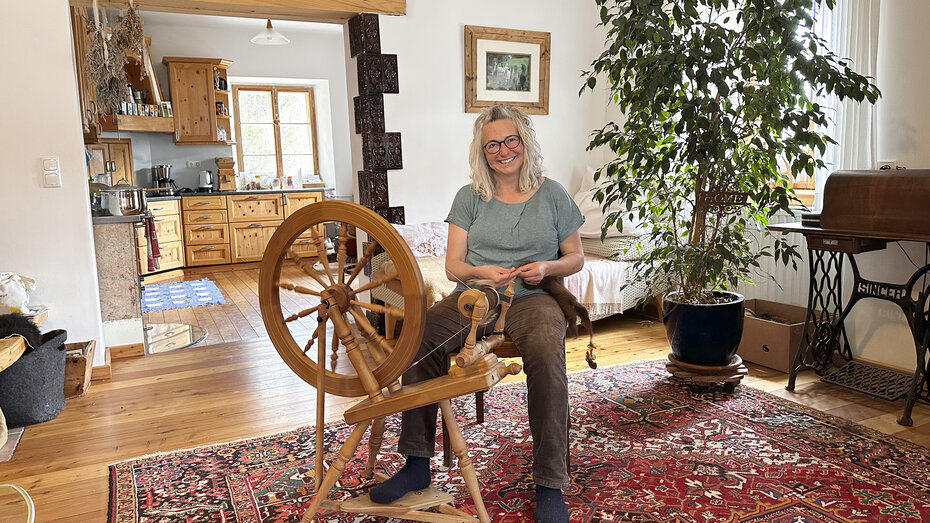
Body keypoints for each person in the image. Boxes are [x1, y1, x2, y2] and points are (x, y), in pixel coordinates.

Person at [369, 104, 584, 523]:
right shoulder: (469, 197)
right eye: (492, 145)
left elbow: (575, 257)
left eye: (510, 140)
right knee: (420, 335)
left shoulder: (554, 194)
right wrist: (481, 272)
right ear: (482, 151)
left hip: (535, 296)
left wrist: (547, 268)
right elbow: (453, 267)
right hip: (476, 295)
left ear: (525, 142)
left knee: (546, 353)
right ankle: (416, 463)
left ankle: (549, 483)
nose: (503, 151)